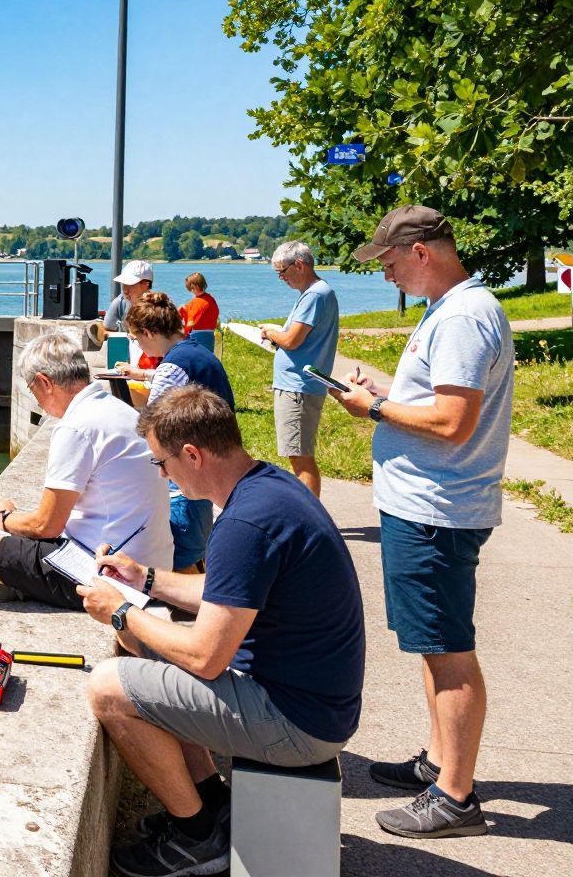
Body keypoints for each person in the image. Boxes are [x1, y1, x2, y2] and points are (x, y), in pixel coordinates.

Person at [79, 386, 364, 877]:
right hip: (312, 703)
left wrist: (119, 612)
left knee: (109, 687)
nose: (164, 475)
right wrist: (144, 579)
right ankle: (211, 805)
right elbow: (226, 592)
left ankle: (194, 838)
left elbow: (206, 658)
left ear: (192, 454)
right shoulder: (269, 487)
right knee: (148, 643)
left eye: (162, 464)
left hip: (298, 724)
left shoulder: (245, 523)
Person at [329, 205, 510, 839]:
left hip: (438, 508)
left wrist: (376, 407)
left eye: (388, 262)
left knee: (447, 649)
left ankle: (455, 799)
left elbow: (454, 423)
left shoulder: (462, 316)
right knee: (432, 645)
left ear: (422, 251)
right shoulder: (453, 311)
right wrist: (381, 399)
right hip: (427, 505)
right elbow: (440, 403)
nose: (385, 277)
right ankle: (439, 763)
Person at [0, 331, 173, 607]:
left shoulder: (76, 426)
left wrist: (2, 517)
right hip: (149, 564)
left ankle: (23, 584)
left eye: (33, 391)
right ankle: (22, 582)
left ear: (44, 382)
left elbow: (46, 526)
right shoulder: (119, 410)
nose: (36, 400)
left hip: (107, 572)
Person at [125, 291, 234, 573]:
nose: (138, 345)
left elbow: (151, 427)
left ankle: (194, 608)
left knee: (184, 549)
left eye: (136, 338)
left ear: (148, 332)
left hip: (186, 470)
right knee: (200, 546)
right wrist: (147, 375)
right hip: (214, 457)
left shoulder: (171, 367)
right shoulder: (196, 351)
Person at [257, 241, 338, 498]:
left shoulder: (315, 294)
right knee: (298, 454)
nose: (281, 278)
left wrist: (271, 333)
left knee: (301, 458)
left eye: (282, 271)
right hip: (297, 386)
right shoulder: (314, 293)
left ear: (299, 265)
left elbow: (292, 340)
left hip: (298, 387)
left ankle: (310, 520)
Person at [103, 259, 161, 371]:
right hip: (127, 361)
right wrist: (125, 337)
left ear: (146, 284)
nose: (125, 289)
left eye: (130, 284)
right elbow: (104, 331)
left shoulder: (160, 307)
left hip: (153, 365)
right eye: (123, 284)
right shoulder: (120, 303)